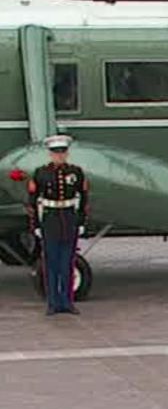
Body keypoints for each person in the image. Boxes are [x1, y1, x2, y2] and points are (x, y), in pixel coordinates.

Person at [25, 134, 89, 316]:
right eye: (55, 153)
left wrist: (81, 221)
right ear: (50, 154)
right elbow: (32, 201)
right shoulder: (41, 173)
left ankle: (67, 301)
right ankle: (53, 302)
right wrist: (35, 225)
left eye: (62, 153)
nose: (59, 156)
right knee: (51, 263)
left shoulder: (75, 172)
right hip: (50, 219)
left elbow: (83, 199)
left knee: (67, 263)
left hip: (68, 219)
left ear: (67, 154)